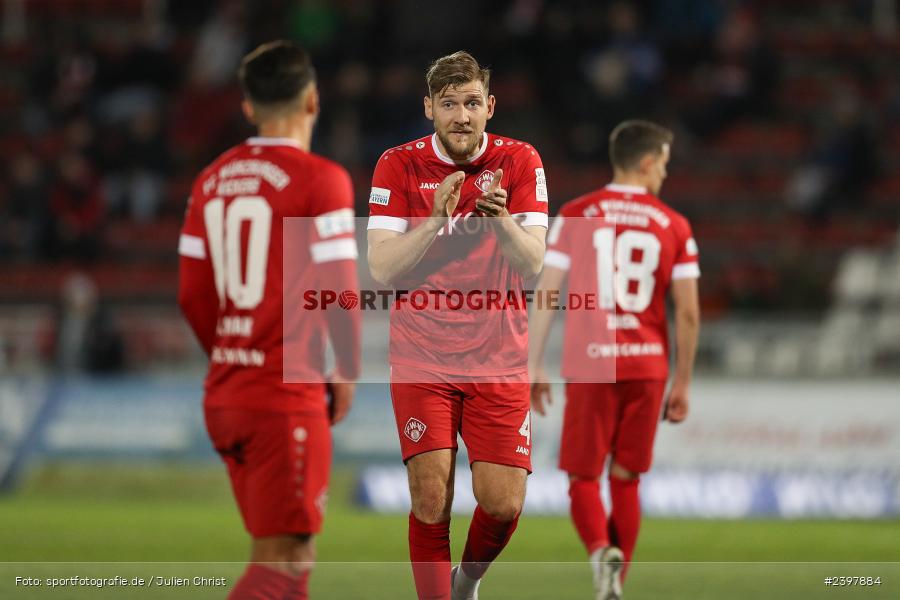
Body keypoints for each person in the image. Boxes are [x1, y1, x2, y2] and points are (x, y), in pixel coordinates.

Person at [178, 41, 361, 600]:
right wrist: (346, 370)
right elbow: (340, 290)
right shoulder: (321, 179)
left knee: (289, 559)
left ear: (249, 107)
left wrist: (235, 355)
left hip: (228, 393)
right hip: (285, 396)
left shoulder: (210, 180)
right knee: (283, 564)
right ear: (313, 100)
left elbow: (191, 295)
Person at [367, 51, 549, 600]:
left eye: (472, 103)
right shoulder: (397, 165)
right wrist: (432, 224)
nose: (462, 115)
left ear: (489, 106)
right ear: (429, 108)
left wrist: (500, 225)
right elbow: (381, 268)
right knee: (429, 495)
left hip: (498, 356)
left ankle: (466, 582)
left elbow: (533, 262)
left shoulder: (520, 161)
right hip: (423, 357)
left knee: (503, 503)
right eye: (449, 104)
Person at [529, 120, 700, 599]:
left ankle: (600, 550)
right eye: (663, 163)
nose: (664, 174)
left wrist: (534, 364)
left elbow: (547, 292)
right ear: (647, 162)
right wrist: (682, 382)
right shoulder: (674, 224)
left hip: (592, 360)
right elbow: (687, 311)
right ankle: (615, 587)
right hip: (648, 366)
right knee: (626, 481)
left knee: (583, 477)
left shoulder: (578, 213)